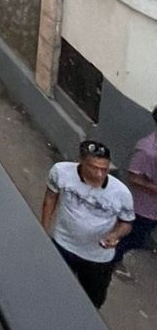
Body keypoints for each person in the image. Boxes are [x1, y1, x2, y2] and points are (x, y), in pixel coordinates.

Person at [41, 140, 134, 308]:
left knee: (93, 300)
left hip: (97, 258)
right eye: (93, 167)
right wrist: (42, 230)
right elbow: (50, 197)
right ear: (80, 161)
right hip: (63, 245)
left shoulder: (121, 193)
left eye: (104, 169)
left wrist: (115, 235)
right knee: (51, 288)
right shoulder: (60, 172)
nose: (99, 174)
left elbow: (126, 223)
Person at [115, 107, 157, 264]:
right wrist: (153, 188)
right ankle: (110, 261)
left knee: (139, 238)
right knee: (131, 238)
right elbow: (133, 177)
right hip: (143, 208)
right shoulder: (147, 150)